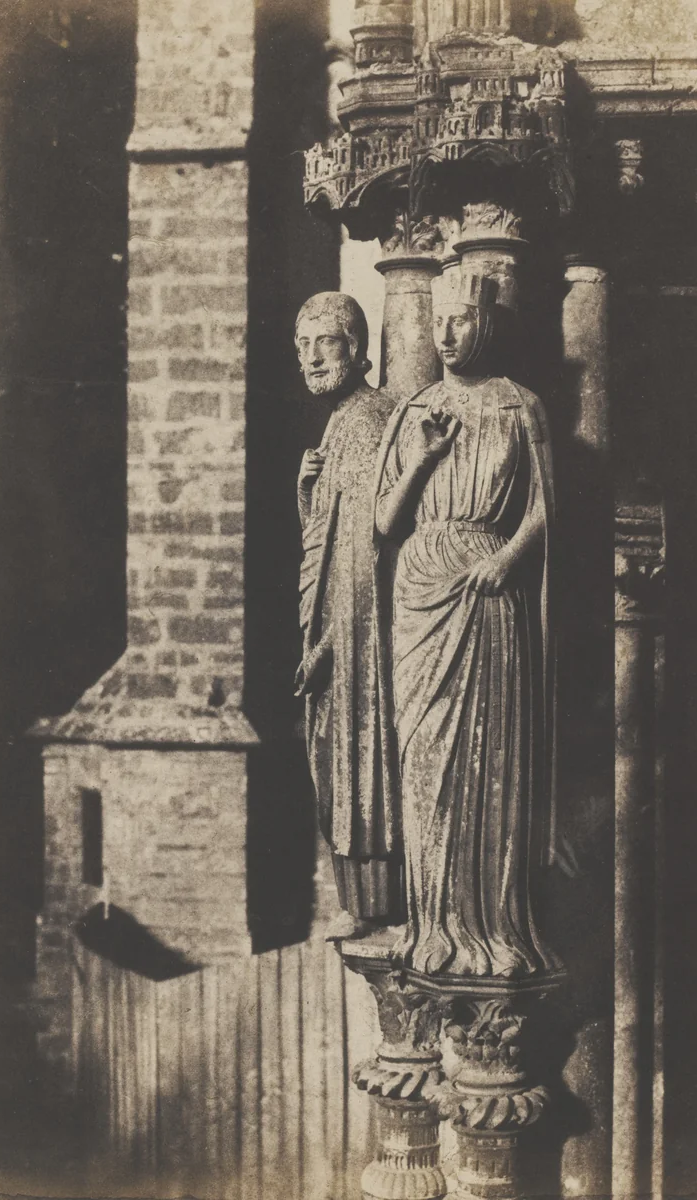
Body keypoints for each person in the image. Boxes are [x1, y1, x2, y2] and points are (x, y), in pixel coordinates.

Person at [373, 271, 559, 977]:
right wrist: (423, 458)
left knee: (488, 757)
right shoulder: (415, 409)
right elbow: (385, 520)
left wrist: (508, 557)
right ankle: (432, 927)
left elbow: (545, 507)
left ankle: (493, 929)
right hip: (420, 585)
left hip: (488, 590)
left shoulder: (520, 405)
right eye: (437, 322)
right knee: (423, 758)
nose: (446, 334)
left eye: (460, 320)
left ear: (486, 323)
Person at [295, 292, 402, 939]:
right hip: (342, 616)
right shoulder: (341, 419)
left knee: (355, 754)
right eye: (302, 346)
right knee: (334, 755)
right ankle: (362, 901)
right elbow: (328, 538)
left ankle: (372, 904)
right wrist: (308, 491)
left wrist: (332, 640)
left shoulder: (365, 419)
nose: (310, 358)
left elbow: (366, 550)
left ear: (356, 348)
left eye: (324, 343)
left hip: (359, 626)